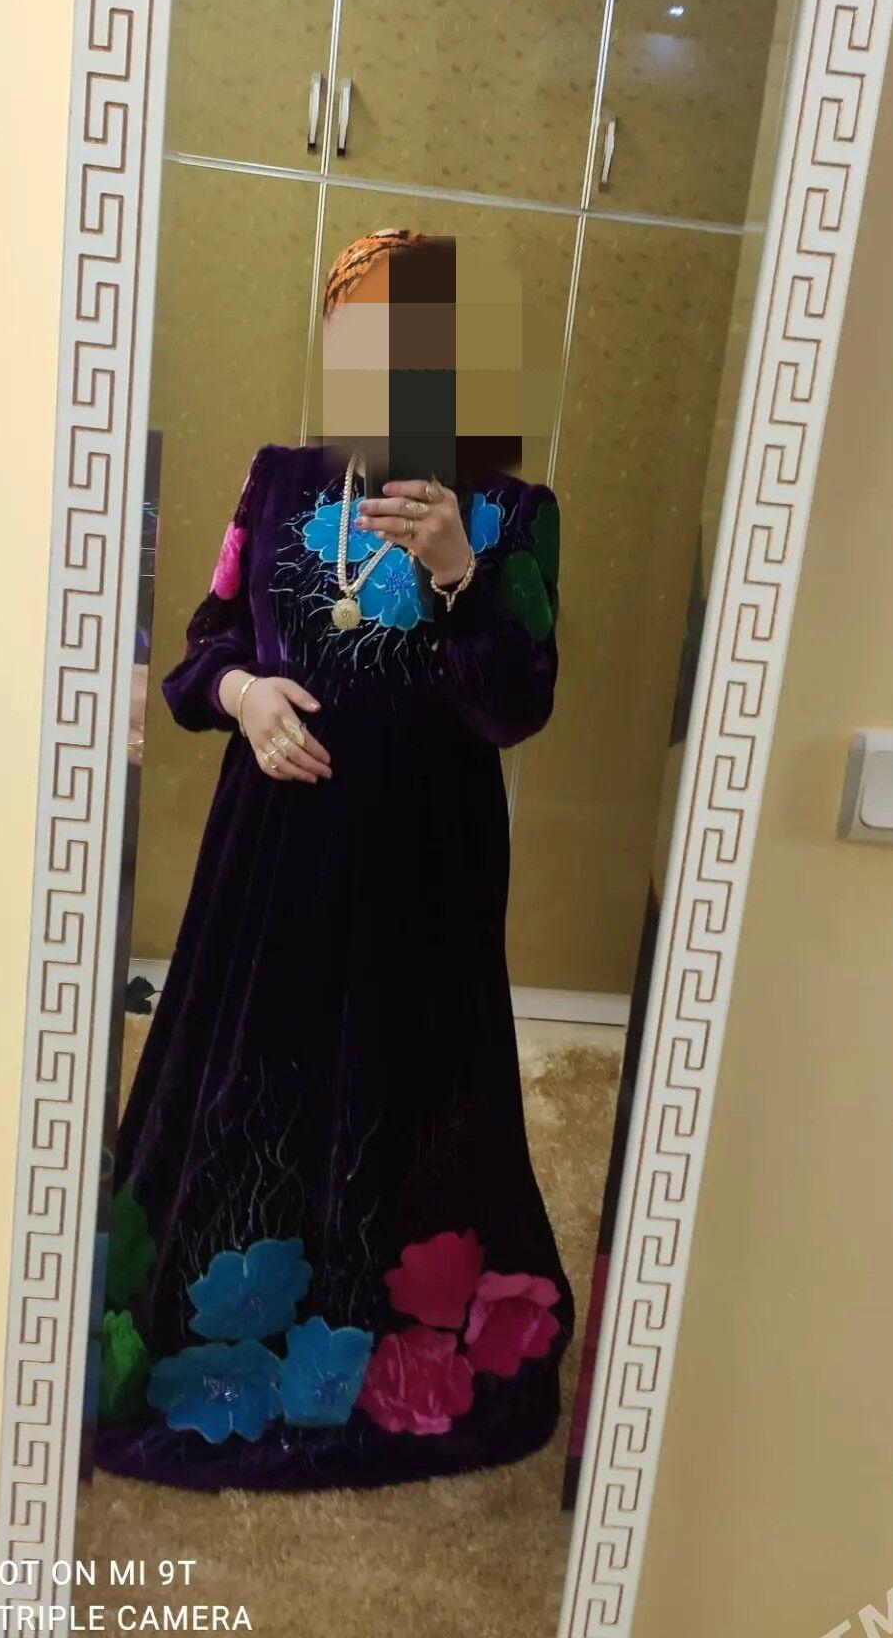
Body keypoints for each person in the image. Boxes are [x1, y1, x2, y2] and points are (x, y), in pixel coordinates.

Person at [95, 230, 571, 1491]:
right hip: (272, 868)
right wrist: (245, 695)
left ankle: (370, 1333)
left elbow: (517, 706)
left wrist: (462, 571)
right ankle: (228, 1329)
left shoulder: (516, 512)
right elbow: (198, 649)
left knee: (405, 1092)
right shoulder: (277, 482)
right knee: (254, 1082)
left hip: (424, 871)